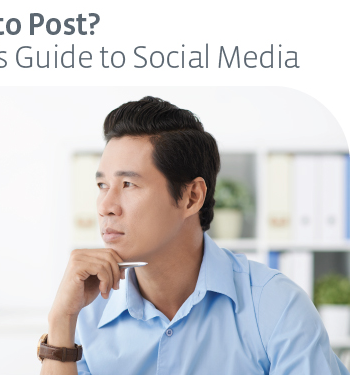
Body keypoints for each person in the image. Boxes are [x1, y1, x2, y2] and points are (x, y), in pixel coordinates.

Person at [37, 96, 350, 375]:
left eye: (128, 185)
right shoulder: (86, 313)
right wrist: (61, 320)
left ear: (191, 197)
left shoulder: (276, 306)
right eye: (102, 185)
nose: (105, 206)